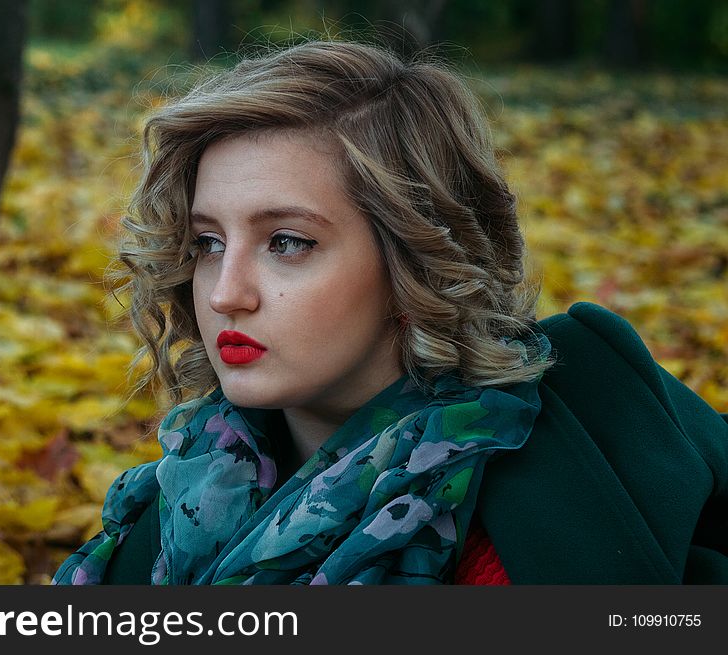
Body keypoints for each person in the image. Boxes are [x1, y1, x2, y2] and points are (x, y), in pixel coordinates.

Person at [53, 40, 728, 585]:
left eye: (287, 242)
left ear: (417, 259)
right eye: (208, 242)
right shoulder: (186, 490)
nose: (226, 292)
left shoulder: (510, 546)